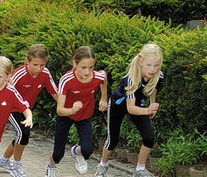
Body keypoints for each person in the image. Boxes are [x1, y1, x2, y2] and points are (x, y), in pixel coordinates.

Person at [96, 43, 164, 177]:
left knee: (149, 136)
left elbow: (154, 88)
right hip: (119, 105)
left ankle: (140, 169)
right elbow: (131, 108)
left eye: (156, 65)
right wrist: (148, 110)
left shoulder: (159, 75)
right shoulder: (131, 79)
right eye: (149, 65)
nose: (152, 69)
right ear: (141, 60)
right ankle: (103, 165)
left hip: (139, 105)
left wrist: (153, 103)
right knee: (113, 140)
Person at [0, 44, 58, 177]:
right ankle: (16, 165)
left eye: (42, 65)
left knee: (23, 135)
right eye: (35, 64)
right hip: (12, 108)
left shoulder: (45, 73)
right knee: (23, 134)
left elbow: (55, 92)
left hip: (27, 109)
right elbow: (5, 92)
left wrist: (65, 108)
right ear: (27, 62)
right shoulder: (19, 74)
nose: (39, 68)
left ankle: (3, 161)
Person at [46, 46, 108, 177]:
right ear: (75, 63)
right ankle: (51, 167)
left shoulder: (97, 76)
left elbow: (104, 78)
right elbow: (60, 110)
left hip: (84, 116)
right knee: (58, 154)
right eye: (83, 67)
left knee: (87, 151)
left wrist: (103, 98)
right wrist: (72, 110)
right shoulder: (67, 80)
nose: (87, 72)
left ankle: (76, 152)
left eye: (91, 67)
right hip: (66, 116)